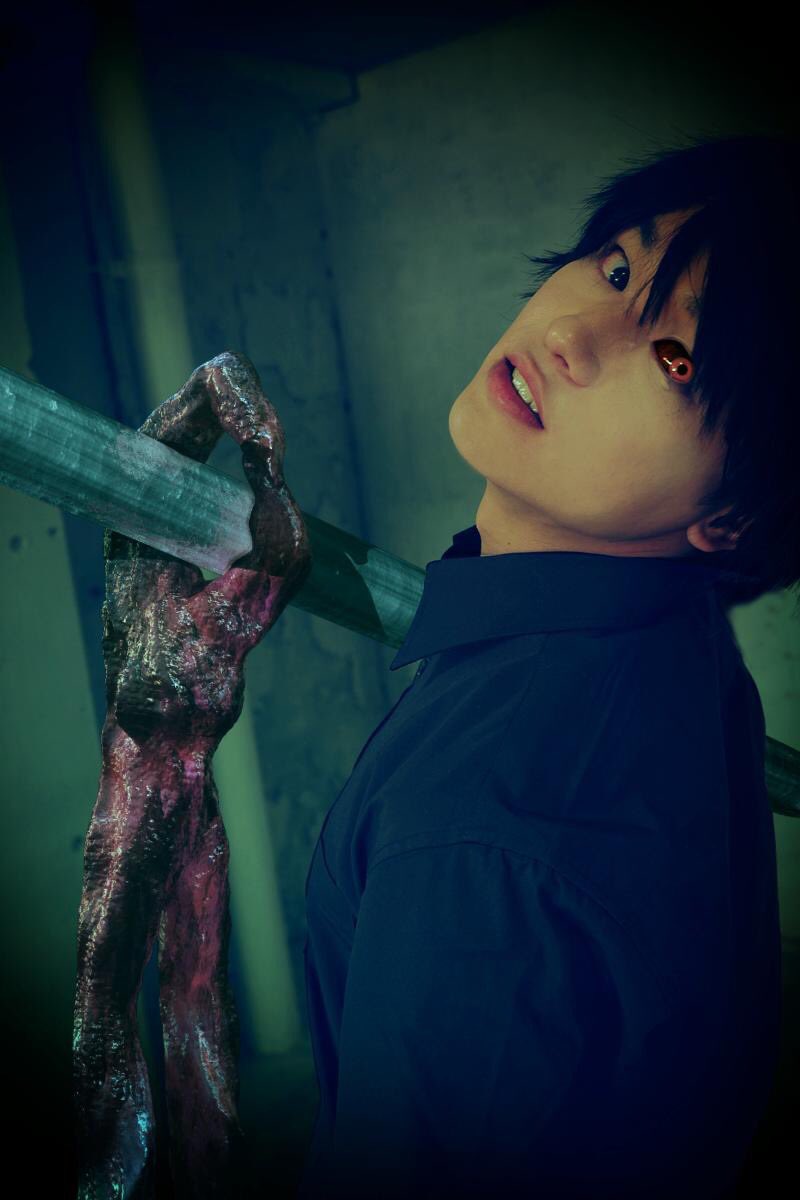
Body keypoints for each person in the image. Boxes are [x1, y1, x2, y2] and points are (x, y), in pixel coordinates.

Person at [296, 132, 799, 1199]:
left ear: (732, 517)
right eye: (616, 268)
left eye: (676, 358)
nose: (570, 334)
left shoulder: (483, 829)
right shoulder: (660, 638)